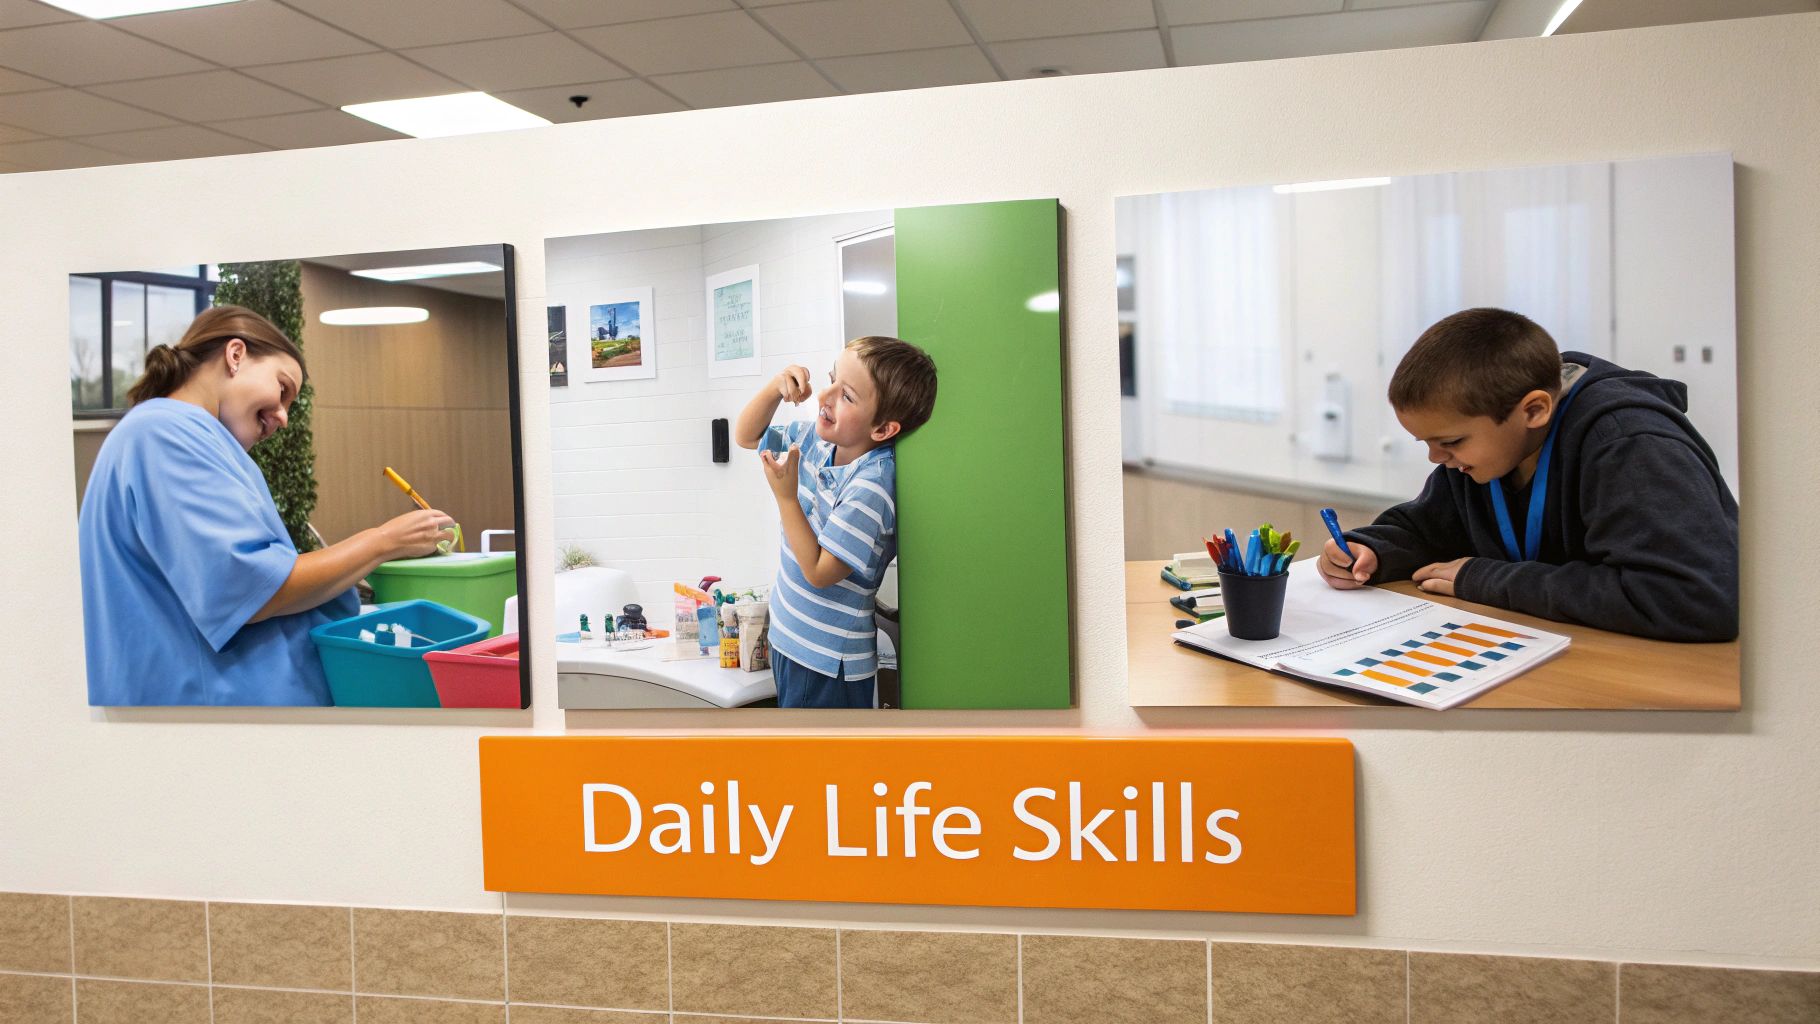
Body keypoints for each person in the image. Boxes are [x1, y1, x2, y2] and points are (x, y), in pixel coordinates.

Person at [78, 306, 455, 706]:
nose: (284, 417)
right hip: (213, 715)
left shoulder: (187, 436)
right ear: (235, 355)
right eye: (282, 389)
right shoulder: (164, 434)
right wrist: (383, 541)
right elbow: (253, 588)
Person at [1318, 307, 1738, 642]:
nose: (1435, 458)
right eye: (1424, 442)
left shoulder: (1629, 445)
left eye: (1451, 441)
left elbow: (1693, 599)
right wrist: (1373, 551)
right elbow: (1431, 530)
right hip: (1563, 649)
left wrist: (1487, 580)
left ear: (1534, 410)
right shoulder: (1484, 454)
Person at [734, 336, 938, 707]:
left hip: (825, 663)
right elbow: (747, 436)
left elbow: (819, 571)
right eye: (831, 379)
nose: (825, 396)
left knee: (817, 765)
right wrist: (775, 388)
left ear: (882, 430)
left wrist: (785, 497)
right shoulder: (817, 440)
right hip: (789, 641)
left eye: (847, 396)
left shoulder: (872, 486)